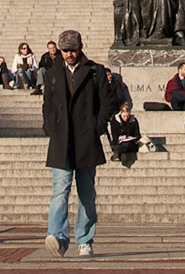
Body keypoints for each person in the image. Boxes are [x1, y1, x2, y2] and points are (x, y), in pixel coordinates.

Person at [41, 29, 107, 259]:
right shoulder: (51, 73)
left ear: (80, 48)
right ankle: (57, 236)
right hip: (62, 139)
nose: (69, 54)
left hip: (86, 138)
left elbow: (106, 102)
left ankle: (85, 239)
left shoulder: (95, 71)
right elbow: (47, 104)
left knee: (87, 194)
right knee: (60, 190)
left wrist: (98, 126)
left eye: (73, 50)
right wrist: (50, 126)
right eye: (65, 50)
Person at [106, 100, 142, 165]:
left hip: (131, 143)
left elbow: (137, 135)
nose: (126, 118)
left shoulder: (133, 120)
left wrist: (128, 137)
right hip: (119, 142)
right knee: (121, 145)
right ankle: (122, 155)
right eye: (124, 116)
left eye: (127, 116)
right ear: (121, 113)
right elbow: (114, 135)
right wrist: (120, 138)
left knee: (127, 145)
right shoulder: (115, 121)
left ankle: (118, 153)